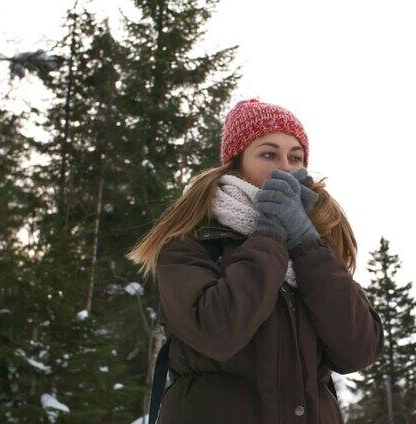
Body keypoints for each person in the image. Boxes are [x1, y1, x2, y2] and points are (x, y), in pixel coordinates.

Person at [127, 98, 384, 423]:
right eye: (268, 154)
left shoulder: (317, 247)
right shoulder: (192, 242)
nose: (285, 168)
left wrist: (305, 241)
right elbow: (217, 332)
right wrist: (271, 232)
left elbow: (358, 348)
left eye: (296, 157)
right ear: (236, 163)